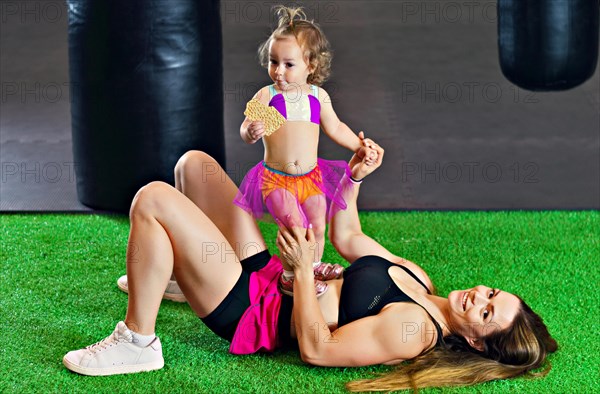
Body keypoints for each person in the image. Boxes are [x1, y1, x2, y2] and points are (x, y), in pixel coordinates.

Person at [63, 144, 557, 391]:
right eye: (493, 293)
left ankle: (138, 342)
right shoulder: (421, 281)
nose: (480, 297)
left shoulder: (414, 330)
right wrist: (356, 178)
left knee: (153, 199)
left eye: (488, 313)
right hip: (268, 280)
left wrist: (301, 270)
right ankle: (172, 273)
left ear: (474, 341)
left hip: (251, 313)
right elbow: (348, 237)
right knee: (196, 166)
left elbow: (317, 350)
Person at [234, 6, 375, 296]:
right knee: (295, 226)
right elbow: (246, 128)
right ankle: (290, 274)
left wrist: (359, 147)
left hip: (311, 177)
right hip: (276, 178)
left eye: (289, 64)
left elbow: (335, 128)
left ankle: (315, 264)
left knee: (317, 223)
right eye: (274, 62)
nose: (278, 71)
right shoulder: (267, 95)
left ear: (310, 65)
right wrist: (250, 131)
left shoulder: (317, 97)